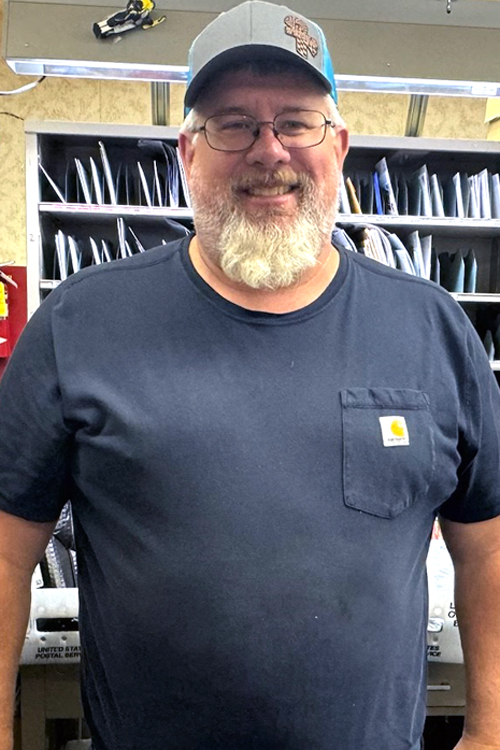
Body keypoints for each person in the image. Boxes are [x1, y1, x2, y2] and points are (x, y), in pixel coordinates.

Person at [1, 2, 500, 749]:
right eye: (232, 123)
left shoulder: (432, 330)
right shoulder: (78, 326)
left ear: (339, 146)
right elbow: (7, 553)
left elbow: (488, 546)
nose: (269, 151)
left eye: (296, 121)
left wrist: (489, 731)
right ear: (187, 153)